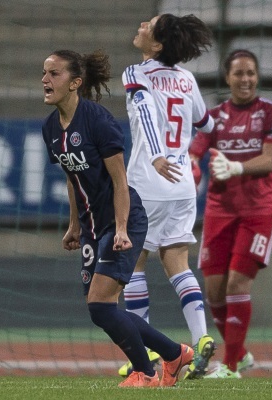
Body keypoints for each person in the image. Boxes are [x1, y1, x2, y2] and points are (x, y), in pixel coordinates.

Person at [40, 49, 195, 388]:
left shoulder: (98, 120)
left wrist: (122, 229)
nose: (45, 80)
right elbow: (72, 178)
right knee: (100, 309)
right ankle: (174, 353)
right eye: (44, 73)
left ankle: (147, 372)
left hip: (123, 220)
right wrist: (75, 225)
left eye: (54, 74)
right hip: (93, 227)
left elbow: (120, 181)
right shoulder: (50, 128)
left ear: (75, 82)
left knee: (100, 305)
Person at [119, 13, 216, 380]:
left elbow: (143, 111)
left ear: (157, 45)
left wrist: (157, 154)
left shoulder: (136, 73)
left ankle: (142, 353)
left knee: (134, 266)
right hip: (182, 186)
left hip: (148, 180)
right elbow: (206, 124)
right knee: (178, 262)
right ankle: (202, 337)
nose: (141, 24)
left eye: (149, 25)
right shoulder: (187, 79)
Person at [189, 49, 272, 378]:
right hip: (219, 211)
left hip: (259, 210)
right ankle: (240, 354)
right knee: (213, 290)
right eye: (238, 74)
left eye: (250, 74)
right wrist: (191, 170)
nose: (245, 80)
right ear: (227, 78)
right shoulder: (214, 117)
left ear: (257, 77)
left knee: (236, 284)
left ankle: (230, 366)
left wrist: (234, 167)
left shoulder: (270, 112)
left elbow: (271, 159)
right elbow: (195, 152)